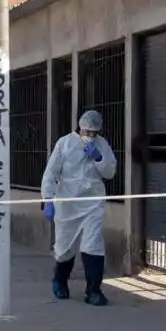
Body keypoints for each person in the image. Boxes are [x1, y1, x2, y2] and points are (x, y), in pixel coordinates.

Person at [41, 110, 117, 306]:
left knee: (93, 245)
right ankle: (60, 281)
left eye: (94, 133)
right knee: (65, 248)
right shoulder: (64, 143)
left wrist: (99, 158)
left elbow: (110, 172)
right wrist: (48, 199)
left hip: (93, 203)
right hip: (68, 203)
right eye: (87, 131)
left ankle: (93, 291)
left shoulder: (102, 145)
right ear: (80, 127)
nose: (90, 136)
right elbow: (51, 172)